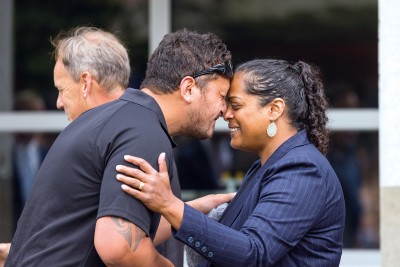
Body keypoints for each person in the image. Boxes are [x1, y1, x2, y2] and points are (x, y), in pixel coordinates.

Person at [5, 27, 234, 266]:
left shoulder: (115, 120)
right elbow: (119, 246)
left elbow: (124, 224)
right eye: (221, 96)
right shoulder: (143, 132)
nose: (224, 110)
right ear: (188, 89)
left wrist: (192, 211)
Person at [115, 59, 346, 266]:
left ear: (274, 109)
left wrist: (169, 205)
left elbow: (253, 253)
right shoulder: (265, 167)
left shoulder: (302, 170)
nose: (226, 114)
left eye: (236, 105)